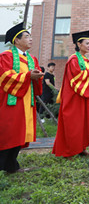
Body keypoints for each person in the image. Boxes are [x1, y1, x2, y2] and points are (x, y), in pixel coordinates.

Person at [0, 23, 44, 173]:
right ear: (16, 41)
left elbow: (33, 80)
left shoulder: (32, 59)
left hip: (26, 101)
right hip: (11, 100)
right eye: (27, 37)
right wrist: (28, 76)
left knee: (20, 133)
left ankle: (11, 166)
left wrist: (37, 77)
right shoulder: (6, 56)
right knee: (9, 132)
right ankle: (5, 165)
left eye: (30, 36)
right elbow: (5, 77)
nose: (31, 39)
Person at [53, 30, 89, 158]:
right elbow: (75, 79)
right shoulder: (74, 59)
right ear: (79, 44)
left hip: (84, 97)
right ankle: (68, 151)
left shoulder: (85, 60)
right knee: (73, 123)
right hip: (74, 97)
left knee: (83, 122)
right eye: (87, 43)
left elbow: (88, 77)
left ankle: (82, 148)